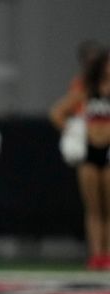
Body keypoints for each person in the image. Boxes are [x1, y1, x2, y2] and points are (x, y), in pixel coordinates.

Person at [50, 46, 110, 270]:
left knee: (108, 207)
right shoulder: (86, 90)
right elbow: (56, 112)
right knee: (93, 207)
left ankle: (108, 254)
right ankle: (96, 255)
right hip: (89, 151)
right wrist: (74, 131)